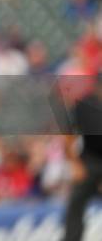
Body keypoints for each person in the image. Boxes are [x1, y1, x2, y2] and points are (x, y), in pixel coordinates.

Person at [62, 78, 102, 241]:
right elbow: (68, 134)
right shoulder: (84, 105)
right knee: (75, 204)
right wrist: (75, 163)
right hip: (89, 162)